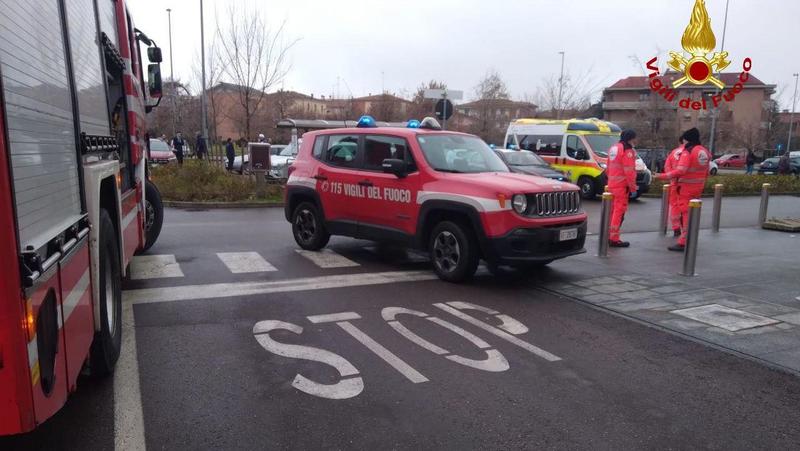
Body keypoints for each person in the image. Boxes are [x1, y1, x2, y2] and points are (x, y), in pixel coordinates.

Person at [656, 127, 710, 252]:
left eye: (685, 139)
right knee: (692, 214)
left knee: (685, 215)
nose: (684, 142)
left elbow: (681, 170)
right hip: (697, 187)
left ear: (688, 139)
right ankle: (689, 238)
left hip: (685, 188)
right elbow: (706, 172)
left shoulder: (688, 151)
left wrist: (661, 177)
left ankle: (683, 241)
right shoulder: (705, 151)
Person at [606, 129, 639, 248]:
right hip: (621, 186)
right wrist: (633, 187)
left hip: (612, 184)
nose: (636, 140)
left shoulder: (614, 147)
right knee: (619, 212)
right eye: (635, 138)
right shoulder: (627, 150)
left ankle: (608, 235)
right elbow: (629, 171)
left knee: (612, 211)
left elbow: (608, 168)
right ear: (631, 138)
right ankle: (614, 238)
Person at [664, 137, 686, 237]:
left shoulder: (673, 153)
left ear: (679, 142)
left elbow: (667, 167)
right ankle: (686, 229)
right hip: (687, 185)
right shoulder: (690, 152)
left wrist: (672, 179)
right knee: (686, 208)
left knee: (674, 206)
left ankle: (676, 228)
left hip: (674, 183)